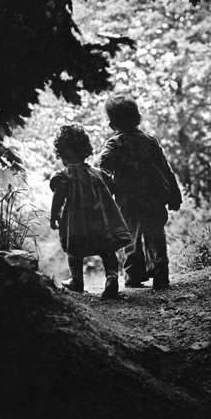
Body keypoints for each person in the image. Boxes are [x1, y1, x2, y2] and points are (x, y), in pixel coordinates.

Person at [99, 94, 182, 290]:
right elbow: (165, 169)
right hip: (154, 197)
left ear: (111, 125)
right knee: (156, 235)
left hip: (128, 199)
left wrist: (109, 192)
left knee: (131, 237)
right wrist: (174, 195)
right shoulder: (150, 141)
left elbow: (104, 171)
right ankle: (161, 275)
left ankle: (134, 276)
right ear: (138, 118)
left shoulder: (114, 143)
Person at [49, 123, 131, 299]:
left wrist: (54, 215)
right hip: (101, 223)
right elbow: (111, 187)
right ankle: (112, 278)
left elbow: (58, 198)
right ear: (85, 150)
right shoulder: (98, 174)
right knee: (107, 251)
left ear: (62, 153)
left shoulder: (64, 176)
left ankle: (77, 281)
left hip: (76, 225)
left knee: (74, 252)